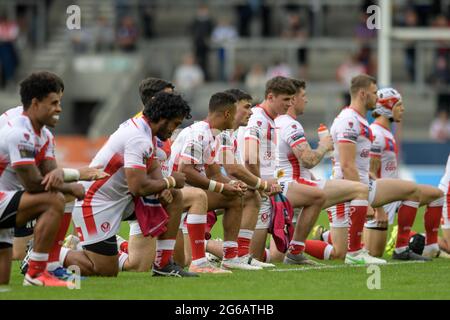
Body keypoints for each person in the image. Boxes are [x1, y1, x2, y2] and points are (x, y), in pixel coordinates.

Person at [60, 92, 196, 277]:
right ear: (163, 118)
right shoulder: (138, 137)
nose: (174, 129)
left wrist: (165, 187)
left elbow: (152, 164)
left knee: (175, 197)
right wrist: (170, 181)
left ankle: (163, 265)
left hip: (120, 199)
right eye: (175, 123)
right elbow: (138, 187)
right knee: (104, 271)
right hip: (95, 203)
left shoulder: (147, 131)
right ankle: (45, 254)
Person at [328, 74, 431, 263]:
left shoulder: (361, 121)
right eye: (375, 93)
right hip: (346, 191)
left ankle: (401, 249)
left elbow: (362, 166)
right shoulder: (349, 121)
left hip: (363, 187)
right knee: (338, 253)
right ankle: (296, 248)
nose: (378, 98)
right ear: (362, 94)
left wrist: (373, 200)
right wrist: (365, 200)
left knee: (412, 190)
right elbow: (347, 165)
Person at [269, 78, 373, 262]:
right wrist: (324, 146)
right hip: (294, 186)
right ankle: (356, 252)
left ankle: (211, 248)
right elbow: (308, 159)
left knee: (275, 257)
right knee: (360, 189)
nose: (306, 100)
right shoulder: (291, 125)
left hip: (282, 186)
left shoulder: (274, 122)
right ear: (292, 100)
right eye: (303, 96)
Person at [0, 71, 86, 286]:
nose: (59, 108)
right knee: (54, 200)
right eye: (54, 102)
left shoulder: (45, 135)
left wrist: (65, 183)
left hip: (7, 198)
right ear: (35, 104)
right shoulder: (19, 132)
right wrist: (73, 185)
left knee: (2, 280)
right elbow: (33, 183)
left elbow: (50, 174)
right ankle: (37, 272)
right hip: (5, 196)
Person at [237, 76, 325, 265]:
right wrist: (260, 185)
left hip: (266, 188)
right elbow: (249, 157)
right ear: (270, 97)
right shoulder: (258, 119)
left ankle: (295, 250)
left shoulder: (270, 120)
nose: (290, 104)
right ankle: (208, 246)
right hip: (258, 189)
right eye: (286, 99)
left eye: (292, 99)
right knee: (248, 258)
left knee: (257, 257)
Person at [167, 92, 259, 270]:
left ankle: (231, 257)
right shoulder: (199, 133)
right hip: (173, 193)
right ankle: (199, 262)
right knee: (177, 262)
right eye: (234, 113)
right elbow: (185, 170)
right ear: (227, 114)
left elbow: (215, 173)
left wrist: (232, 185)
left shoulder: (213, 135)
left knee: (235, 196)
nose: (235, 118)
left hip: (187, 192)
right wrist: (221, 187)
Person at [362, 88, 444, 259]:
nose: (403, 109)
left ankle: (426, 246)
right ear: (387, 107)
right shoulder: (376, 134)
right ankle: (326, 237)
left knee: (437, 195)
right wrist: (379, 208)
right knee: (372, 254)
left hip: (395, 195)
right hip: (383, 199)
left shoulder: (386, 133)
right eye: (399, 105)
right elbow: (369, 173)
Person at [202, 88, 280, 268]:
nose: (251, 112)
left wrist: (251, 185)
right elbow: (233, 168)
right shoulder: (219, 132)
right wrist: (262, 185)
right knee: (249, 194)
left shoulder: (230, 135)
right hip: (194, 190)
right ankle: (222, 251)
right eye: (247, 107)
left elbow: (229, 171)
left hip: (207, 188)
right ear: (233, 108)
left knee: (248, 193)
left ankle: (239, 255)